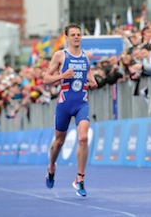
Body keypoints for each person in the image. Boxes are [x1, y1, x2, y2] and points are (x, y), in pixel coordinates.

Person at [43, 23, 97, 197]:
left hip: (81, 102)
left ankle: (79, 179)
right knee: (59, 142)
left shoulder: (87, 55)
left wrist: (93, 81)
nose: (76, 37)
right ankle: (51, 166)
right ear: (66, 37)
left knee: (83, 138)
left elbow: (89, 74)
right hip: (64, 103)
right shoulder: (60, 55)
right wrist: (62, 76)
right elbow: (46, 78)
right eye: (73, 34)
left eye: (78, 34)